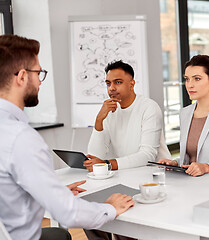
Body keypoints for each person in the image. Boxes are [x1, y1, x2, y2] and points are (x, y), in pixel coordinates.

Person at [0, 35, 134, 240]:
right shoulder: (21, 138)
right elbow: (68, 213)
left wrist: (52, 190)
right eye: (38, 73)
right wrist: (109, 208)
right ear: (22, 77)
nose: (40, 81)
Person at [84, 60, 171, 172]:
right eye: (108, 83)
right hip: (125, 173)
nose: (112, 88)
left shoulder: (149, 107)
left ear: (132, 84)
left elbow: (148, 155)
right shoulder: (110, 110)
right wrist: (99, 120)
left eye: (118, 82)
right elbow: (95, 155)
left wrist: (107, 164)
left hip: (154, 174)